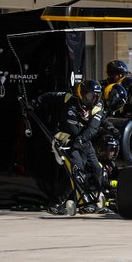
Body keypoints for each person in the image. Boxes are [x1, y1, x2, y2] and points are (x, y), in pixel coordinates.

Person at [56, 79, 105, 212]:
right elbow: (52, 96)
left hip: (85, 142)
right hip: (69, 142)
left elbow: (93, 128)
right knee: (77, 170)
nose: (93, 100)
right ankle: (61, 201)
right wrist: (37, 102)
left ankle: (94, 198)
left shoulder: (98, 106)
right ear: (82, 93)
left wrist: (82, 139)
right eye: (90, 96)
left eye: (97, 96)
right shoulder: (70, 100)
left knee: (97, 168)